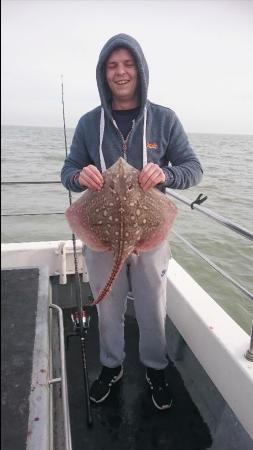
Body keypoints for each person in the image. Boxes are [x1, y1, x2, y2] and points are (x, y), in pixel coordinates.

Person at [61, 33, 203, 410]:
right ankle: (111, 365)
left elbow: (193, 169)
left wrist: (166, 175)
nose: (120, 72)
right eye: (112, 66)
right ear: (103, 74)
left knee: (152, 304)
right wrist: (80, 177)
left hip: (149, 233)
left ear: (139, 70)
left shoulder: (165, 119)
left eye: (127, 64)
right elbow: (68, 170)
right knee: (106, 303)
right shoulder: (90, 124)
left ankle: (156, 367)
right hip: (102, 236)